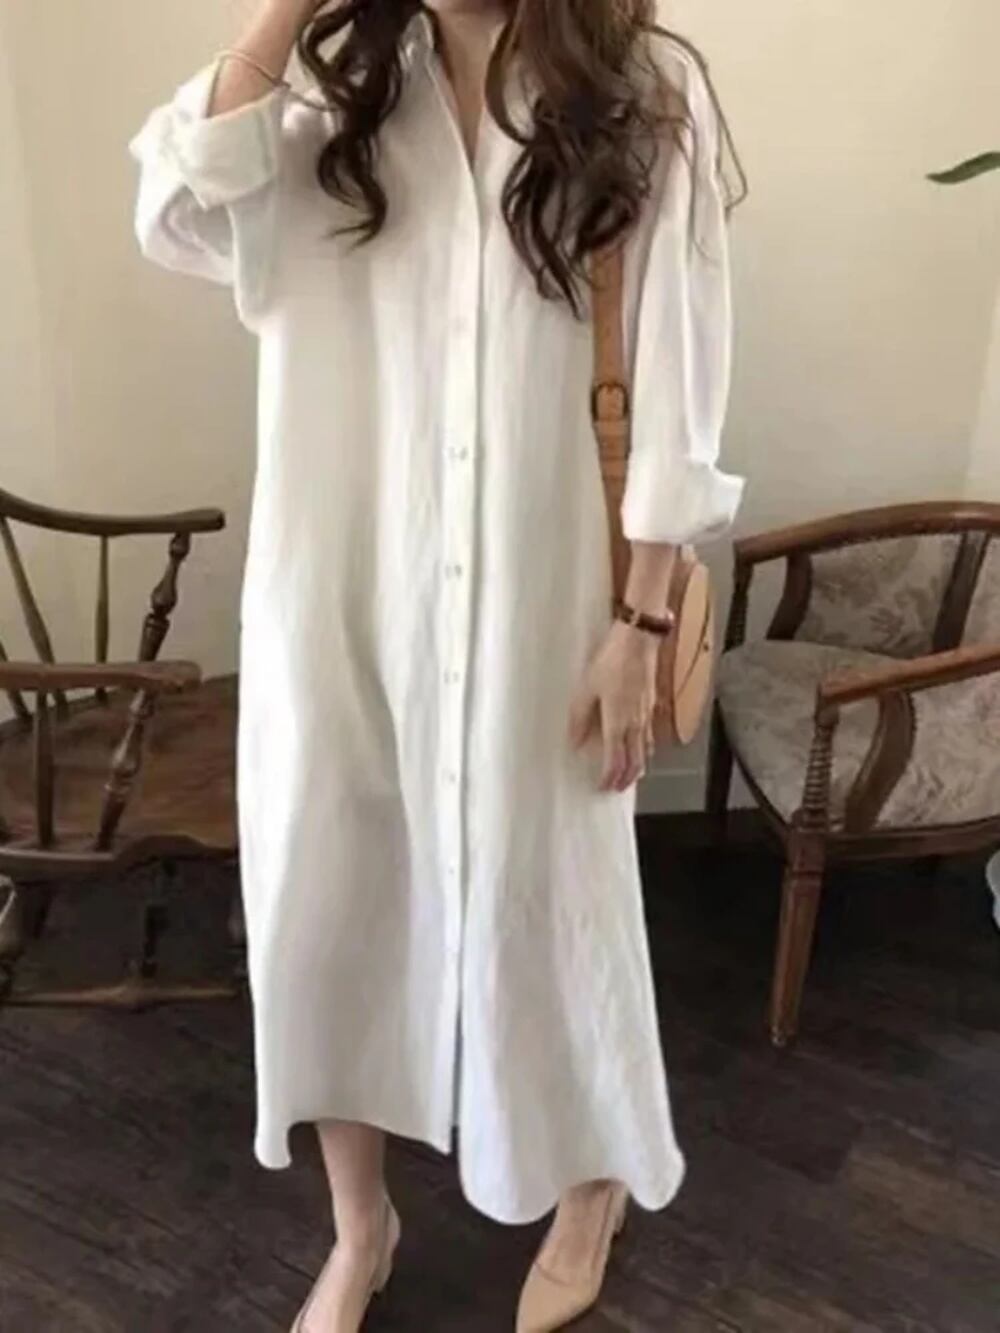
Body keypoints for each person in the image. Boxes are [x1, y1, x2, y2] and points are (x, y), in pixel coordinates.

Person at [129, 2, 745, 1329]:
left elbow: (680, 388)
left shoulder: (638, 96)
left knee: (558, 900)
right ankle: (362, 1227)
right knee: (327, 902)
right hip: (342, 600)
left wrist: (640, 626)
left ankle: (591, 1185)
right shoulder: (327, 99)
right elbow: (175, 207)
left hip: (549, 610)